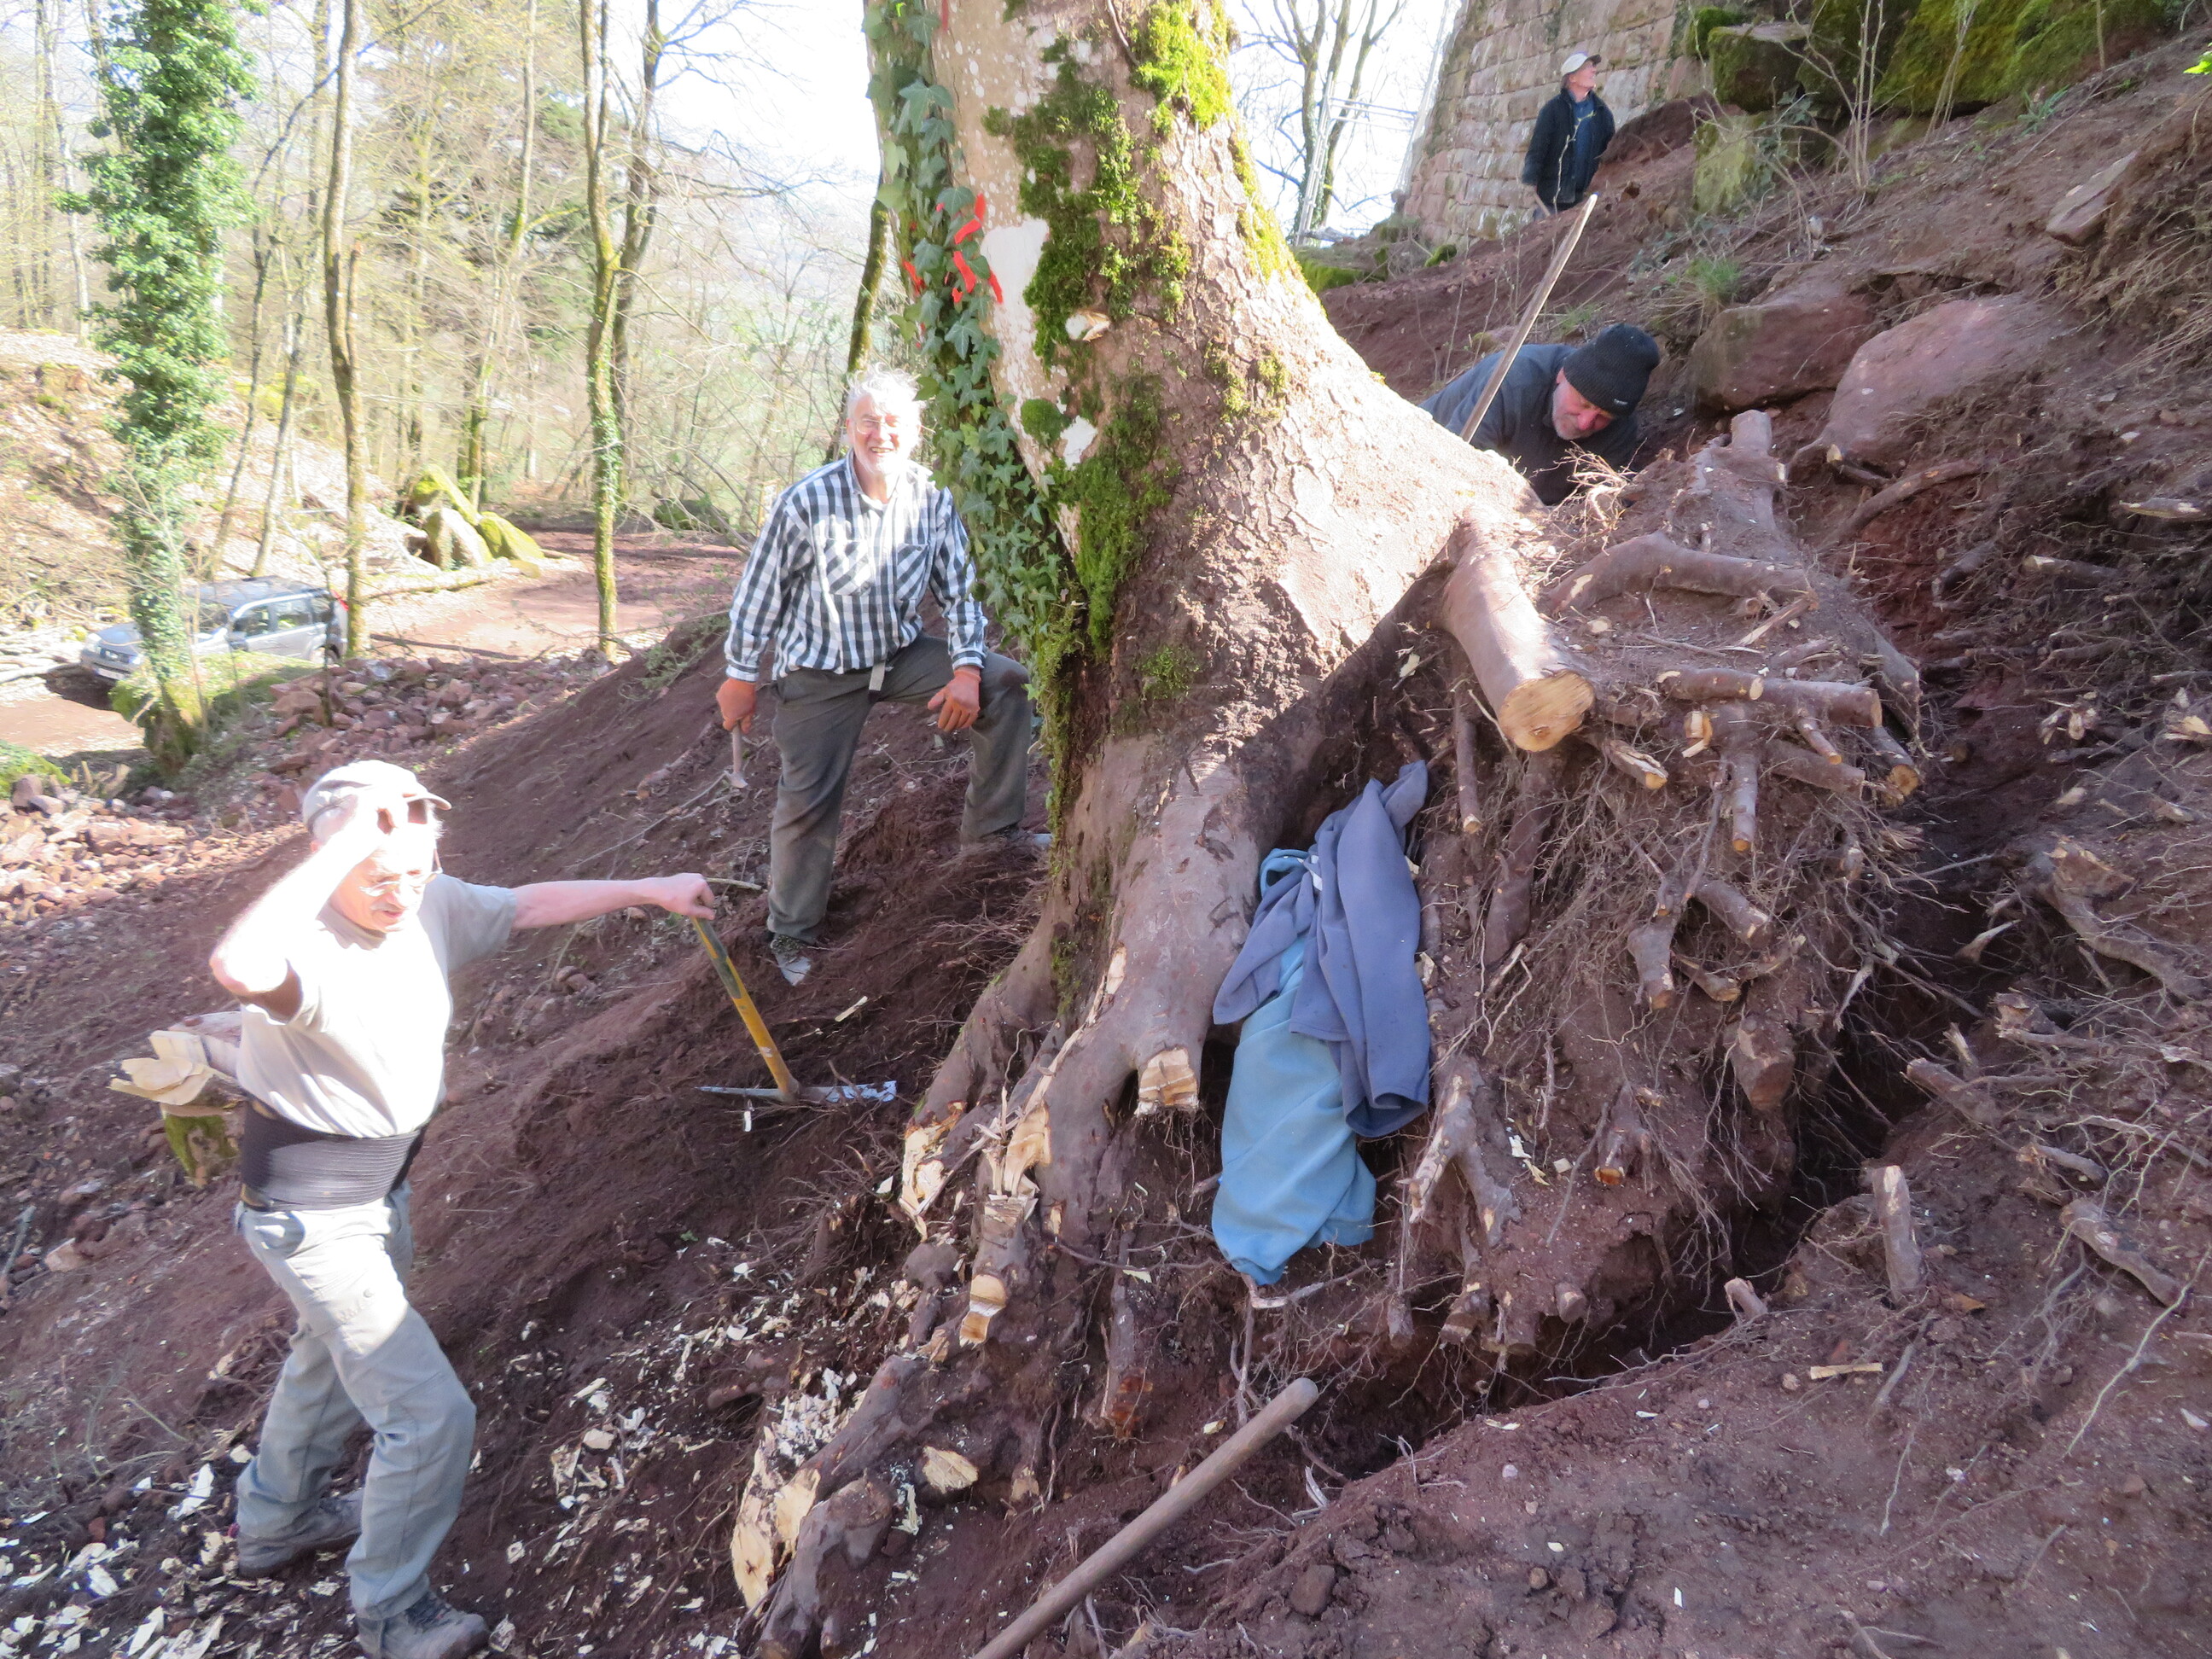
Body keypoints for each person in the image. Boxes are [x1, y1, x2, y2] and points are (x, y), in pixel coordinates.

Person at [207, 760, 713, 1659]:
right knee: (431, 1416)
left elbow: (523, 905)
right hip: (315, 1216)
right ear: (328, 859)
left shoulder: (427, 903)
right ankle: (391, 1613)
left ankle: (277, 1520)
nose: (400, 892)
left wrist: (650, 889)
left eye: (417, 869)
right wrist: (348, 848)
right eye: (377, 874)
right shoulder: (310, 946)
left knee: (326, 1357)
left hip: (376, 1192)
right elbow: (238, 965)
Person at [714, 365, 1036, 987]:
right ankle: (792, 933)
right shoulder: (807, 501)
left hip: (900, 656)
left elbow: (961, 593)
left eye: (893, 423)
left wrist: (967, 669)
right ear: (848, 428)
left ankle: (990, 841)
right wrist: (740, 675)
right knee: (808, 801)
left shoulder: (932, 498)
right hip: (820, 672)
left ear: (916, 432)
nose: (880, 434)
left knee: (1006, 685)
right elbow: (759, 594)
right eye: (868, 422)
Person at [1419, 323, 1661, 506]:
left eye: (1604, 416)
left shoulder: (1621, 429)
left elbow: (1601, 505)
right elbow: (1455, 465)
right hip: (1421, 461)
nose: (1585, 423)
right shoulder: (1513, 380)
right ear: (1562, 375)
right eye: (1583, 403)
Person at [1522, 50, 1615, 216]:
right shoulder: (1553, 110)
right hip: (1552, 200)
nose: (1594, 70)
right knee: (1545, 234)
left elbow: (1610, 153)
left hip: (1585, 202)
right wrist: (1530, 181)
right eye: (1587, 67)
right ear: (1572, 77)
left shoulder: (1602, 113)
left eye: (1593, 66)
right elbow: (1537, 149)